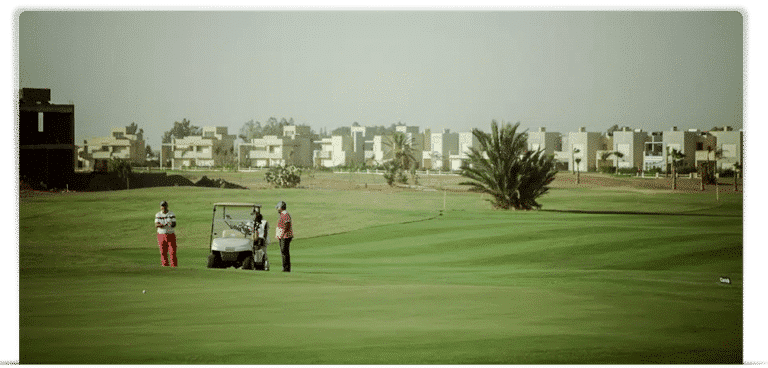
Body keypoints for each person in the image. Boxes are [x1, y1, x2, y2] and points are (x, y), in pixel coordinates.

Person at [155, 200, 177, 267]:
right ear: (160, 207)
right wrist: (165, 224)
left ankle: (174, 266)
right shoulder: (158, 215)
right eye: (162, 206)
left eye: (164, 205)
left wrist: (164, 225)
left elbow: (173, 224)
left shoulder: (171, 214)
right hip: (161, 234)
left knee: (172, 252)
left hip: (170, 234)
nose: (163, 207)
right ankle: (165, 266)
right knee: (163, 251)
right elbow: (156, 225)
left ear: (167, 206)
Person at [275, 201, 293, 272]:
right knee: (283, 252)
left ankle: (286, 268)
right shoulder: (283, 214)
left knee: (284, 252)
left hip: (285, 236)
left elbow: (287, 224)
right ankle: (285, 267)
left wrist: (282, 233)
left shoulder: (285, 214)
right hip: (283, 235)